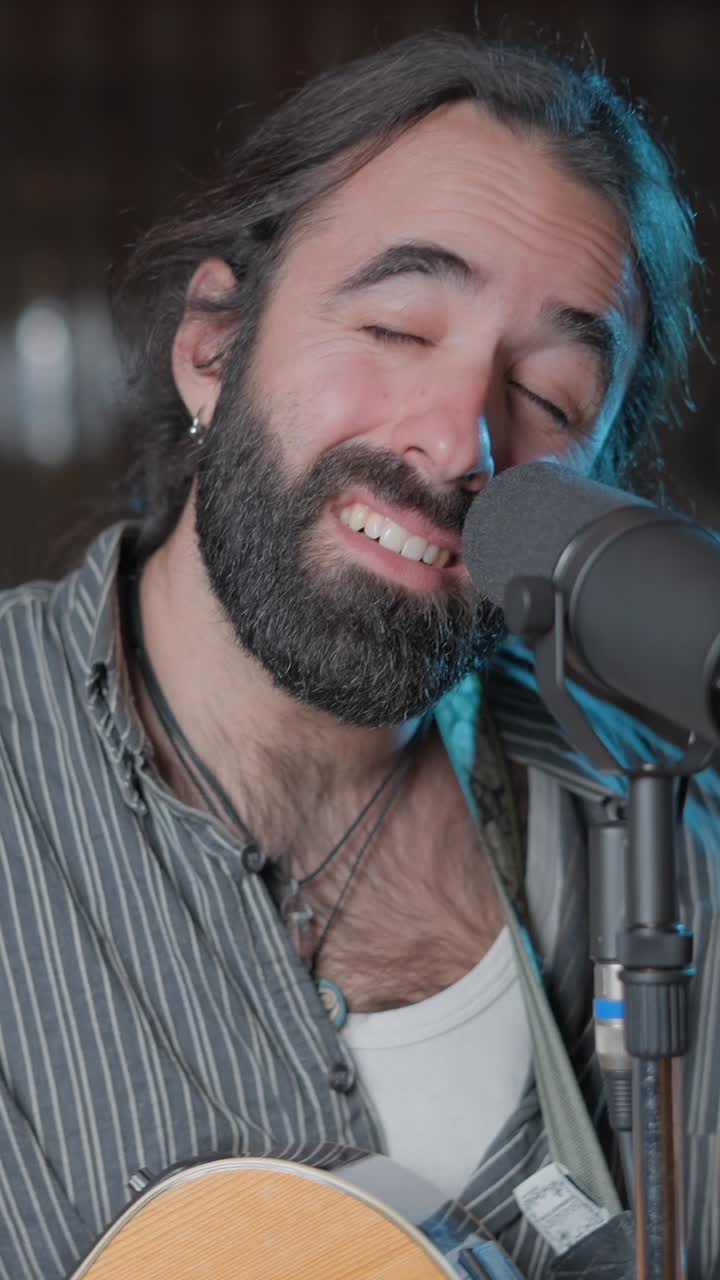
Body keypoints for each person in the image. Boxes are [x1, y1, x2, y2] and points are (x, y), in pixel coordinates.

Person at [1, 29, 717, 1280]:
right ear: (212, 345)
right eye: (396, 327)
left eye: (549, 399)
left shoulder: (669, 820)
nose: (457, 440)